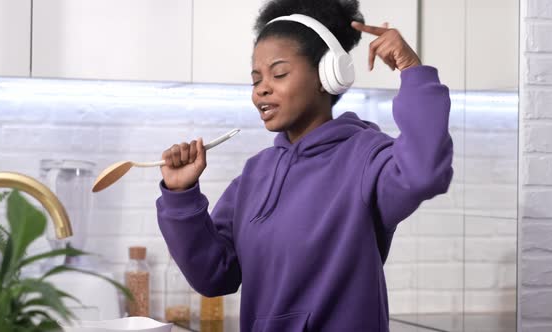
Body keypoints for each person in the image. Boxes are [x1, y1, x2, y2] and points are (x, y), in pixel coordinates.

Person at [156, 0, 453, 330]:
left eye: (279, 73)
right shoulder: (254, 176)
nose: (262, 89)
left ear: (328, 75)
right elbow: (214, 277)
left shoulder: (366, 158)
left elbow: (425, 173)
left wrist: (412, 70)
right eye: (256, 80)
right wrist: (180, 194)